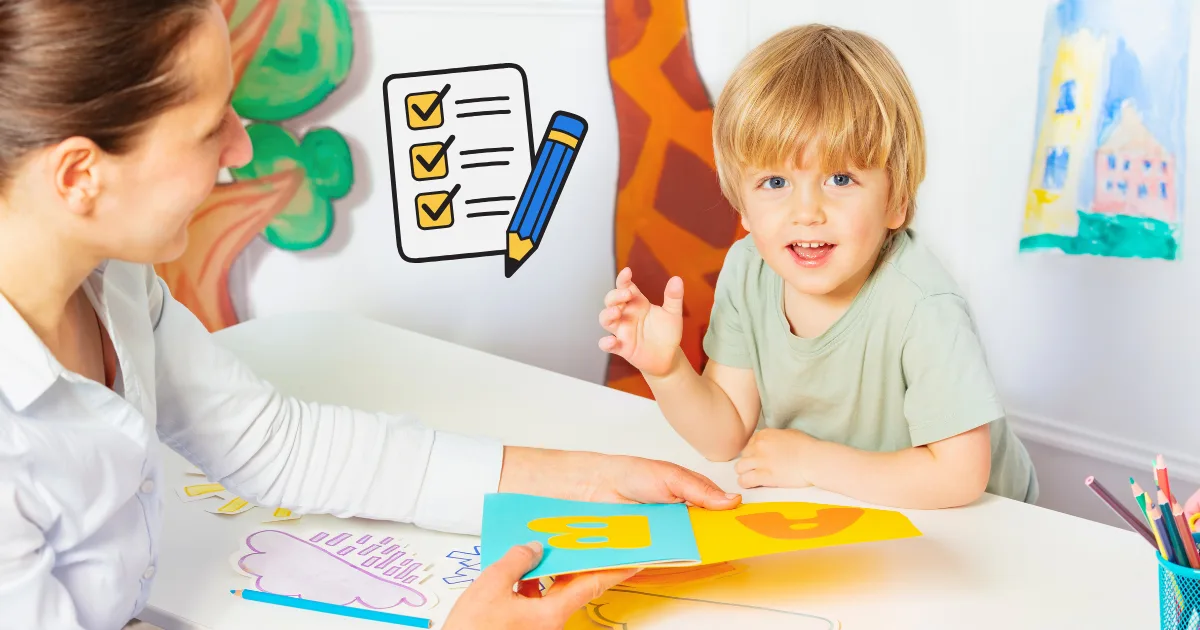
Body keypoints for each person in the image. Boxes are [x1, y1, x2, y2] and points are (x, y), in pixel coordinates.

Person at [0, 2, 741, 629]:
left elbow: (274, 444)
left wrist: (581, 480)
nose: (242, 145)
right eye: (207, 129)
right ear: (80, 176)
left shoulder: (113, 279)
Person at [598, 24, 1038, 510]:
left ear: (896, 201)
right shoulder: (749, 270)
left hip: (988, 527)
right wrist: (668, 371)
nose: (806, 211)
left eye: (840, 177)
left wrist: (811, 461)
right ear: (741, 205)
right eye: (774, 181)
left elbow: (959, 477)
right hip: (856, 508)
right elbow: (724, 436)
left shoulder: (923, 305)